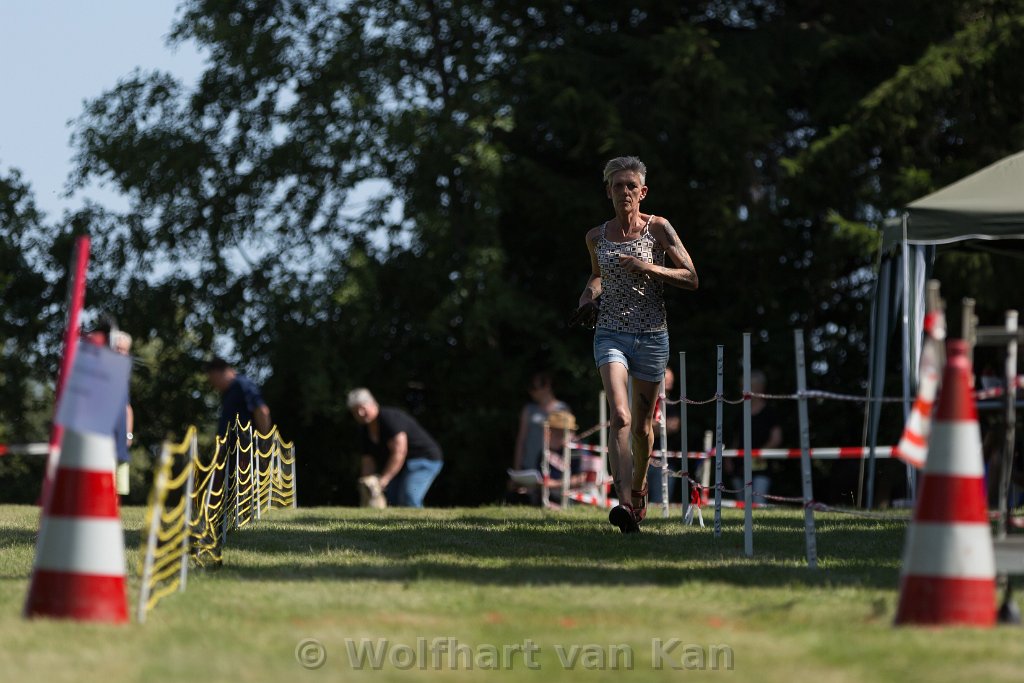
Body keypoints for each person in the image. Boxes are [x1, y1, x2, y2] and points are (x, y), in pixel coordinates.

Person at [570, 156, 698, 533]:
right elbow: (597, 277)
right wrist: (586, 299)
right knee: (620, 416)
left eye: (631, 186)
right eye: (617, 185)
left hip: (652, 335)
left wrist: (651, 268)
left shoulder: (658, 228)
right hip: (609, 332)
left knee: (643, 427)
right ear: (608, 192)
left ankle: (640, 490)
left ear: (642, 192)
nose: (624, 192)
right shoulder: (596, 236)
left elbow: (691, 277)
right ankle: (623, 501)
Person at [348, 388, 443, 508]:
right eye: (356, 411)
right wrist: (366, 484)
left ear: (372, 404)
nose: (360, 413)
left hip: (424, 459)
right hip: (401, 465)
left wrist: (384, 480)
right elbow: (368, 461)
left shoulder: (389, 418)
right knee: (391, 498)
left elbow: (400, 451)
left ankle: (421, 525)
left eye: (362, 408)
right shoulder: (364, 431)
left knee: (409, 496)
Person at [510, 372, 572, 504]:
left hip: (552, 465)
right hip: (530, 464)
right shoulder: (529, 410)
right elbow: (521, 440)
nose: (531, 391)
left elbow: (569, 439)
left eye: (534, 387)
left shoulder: (563, 409)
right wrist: (517, 468)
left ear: (547, 386)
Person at [727, 370, 783, 500]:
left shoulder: (770, 412)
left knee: (758, 499)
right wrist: (728, 458)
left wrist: (760, 453)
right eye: (742, 387)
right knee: (741, 501)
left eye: (748, 387)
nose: (743, 391)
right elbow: (736, 438)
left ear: (760, 388)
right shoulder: (740, 413)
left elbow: (776, 438)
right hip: (739, 465)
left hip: (761, 465)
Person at [204, 357, 272, 437]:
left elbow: (261, 410)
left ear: (221, 373)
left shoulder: (242, 385)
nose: (215, 385)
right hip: (233, 447)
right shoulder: (228, 392)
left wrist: (264, 441)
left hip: (247, 446)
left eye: (214, 380)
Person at [647, 366, 683, 505]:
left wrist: (652, 426)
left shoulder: (672, 404)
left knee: (660, 501)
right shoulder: (648, 402)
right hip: (645, 459)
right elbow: (642, 427)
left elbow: (675, 425)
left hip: (667, 460)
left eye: (671, 381)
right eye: (666, 380)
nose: (669, 384)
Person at [111, 330, 134, 497]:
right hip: (105, 432)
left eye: (124, 350)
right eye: (118, 349)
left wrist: (129, 434)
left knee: (121, 467)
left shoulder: (123, 376)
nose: (121, 353)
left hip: (121, 433)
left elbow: (127, 407)